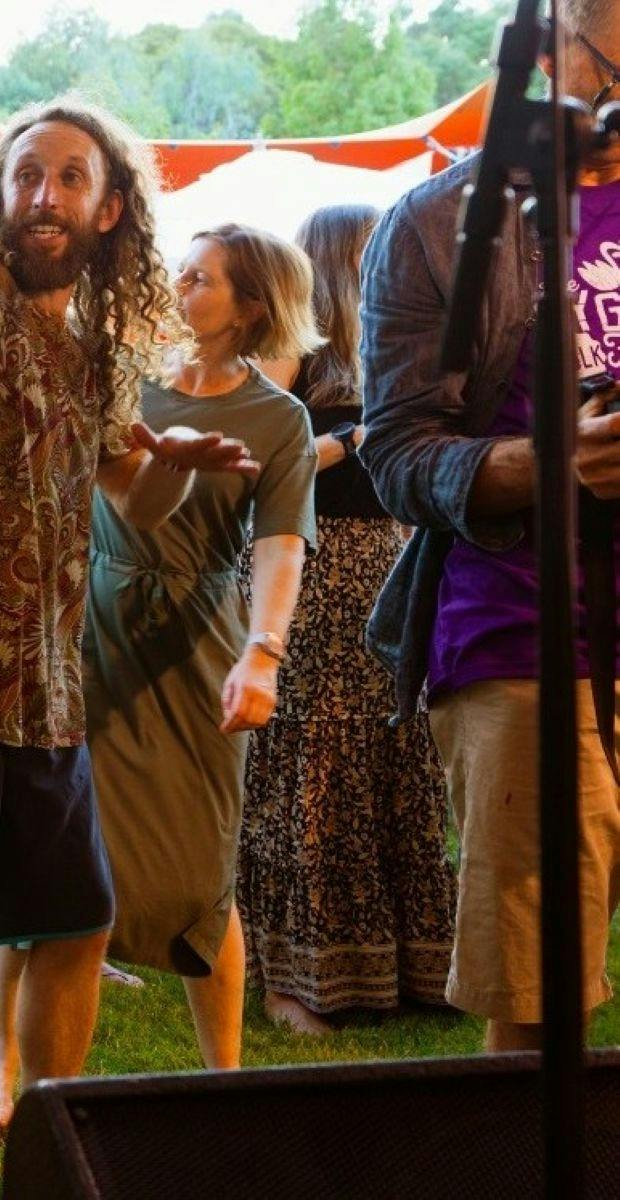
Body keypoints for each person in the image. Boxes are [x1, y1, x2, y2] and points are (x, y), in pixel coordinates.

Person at [0, 101, 259, 1198]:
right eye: (25, 174)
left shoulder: (92, 344)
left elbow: (136, 497)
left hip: (48, 688)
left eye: (70, 177)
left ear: (109, 206)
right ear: (1, 193)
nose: (43, 194)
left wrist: (178, 456)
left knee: (76, 922)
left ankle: (48, 1157)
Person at [0, 224, 317, 1127]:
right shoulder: (122, 378)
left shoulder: (278, 418)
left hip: (198, 641)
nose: (177, 286)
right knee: (41, 846)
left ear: (248, 307)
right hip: (82, 623)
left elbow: (280, 547)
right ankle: (2, 1054)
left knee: (207, 866)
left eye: (200, 279)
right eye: (180, 271)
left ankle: (224, 1078)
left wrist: (262, 653)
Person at [359, 0, 620, 1053]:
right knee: (540, 989)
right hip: (525, 633)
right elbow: (397, 453)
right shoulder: (438, 219)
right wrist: (548, 466)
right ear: (555, 43)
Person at [239, 205, 457, 1032]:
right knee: (312, 762)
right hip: (308, 560)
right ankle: (293, 978)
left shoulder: (403, 342)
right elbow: (255, 457)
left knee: (394, 751)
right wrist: (355, 438)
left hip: (393, 557)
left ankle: (411, 966)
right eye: (377, 251)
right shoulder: (292, 340)